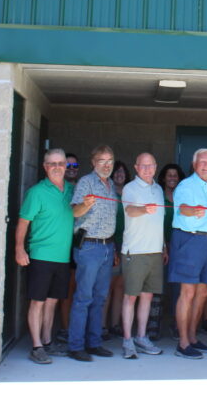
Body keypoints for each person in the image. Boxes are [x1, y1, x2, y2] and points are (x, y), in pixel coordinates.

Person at [15, 149, 75, 364]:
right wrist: (19, 248)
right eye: (52, 163)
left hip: (62, 257)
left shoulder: (71, 191)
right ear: (45, 166)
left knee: (52, 302)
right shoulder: (37, 192)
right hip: (40, 255)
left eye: (61, 163)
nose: (57, 167)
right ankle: (36, 346)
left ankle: (48, 342)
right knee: (38, 302)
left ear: (66, 166)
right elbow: (23, 222)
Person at [67, 145, 118, 361]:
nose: (106, 165)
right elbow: (74, 211)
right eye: (102, 161)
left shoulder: (112, 185)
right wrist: (85, 205)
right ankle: (76, 346)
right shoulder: (86, 182)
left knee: (100, 298)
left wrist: (113, 247)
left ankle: (94, 342)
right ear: (93, 162)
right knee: (84, 298)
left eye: (110, 161)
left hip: (107, 246)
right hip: (89, 246)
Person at [169, 148, 207, 359]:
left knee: (203, 292)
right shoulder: (185, 185)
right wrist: (193, 210)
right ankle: (182, 343)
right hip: (189, 239)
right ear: (194, 164)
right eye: (202, 162)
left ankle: (192, 337)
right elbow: (181, 208)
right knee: (188, 292)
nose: (206, 166)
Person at [119, 152, 166, 359]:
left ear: (155, 167)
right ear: (136, 167)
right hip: (135, 251)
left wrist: (164, 245)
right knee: (131, 297)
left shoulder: (158, 189)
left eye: (151, 165)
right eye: (143, 166)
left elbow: (159, 221)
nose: (147, 169)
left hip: (155, 251)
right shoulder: (130, 188)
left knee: (147, 296)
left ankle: (141, 336)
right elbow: (130, 210)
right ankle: (127, 340)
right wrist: (144, 209)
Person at [151, 163, 185, 341]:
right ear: (163, 177)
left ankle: (176, 324)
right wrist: (164, 246)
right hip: (159, 245)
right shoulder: (157, 194)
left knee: (178, 289)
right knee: (158, 286)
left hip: (180, 246)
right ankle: (154, 326)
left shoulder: (183, 196)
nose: (172, 178)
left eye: (175, 175)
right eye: (169, 175)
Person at [56, 152, 82, 341]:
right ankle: (65, 329)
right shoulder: (59, 189)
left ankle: (76, 330)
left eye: (75, 166)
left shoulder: (82, 188)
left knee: (80, 290)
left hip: (80, 244)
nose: (72, 170)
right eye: (69, 166)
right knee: (67, 291)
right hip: (60, 246)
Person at [106, 160, 131, 338]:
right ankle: (101, 326)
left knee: (121, 286)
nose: (119, 174)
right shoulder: (107, 192)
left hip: (128, 244)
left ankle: (115, 324)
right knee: (108, 286)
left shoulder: (130, 193)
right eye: (116, 171)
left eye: (122, 171)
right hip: (111, 243)